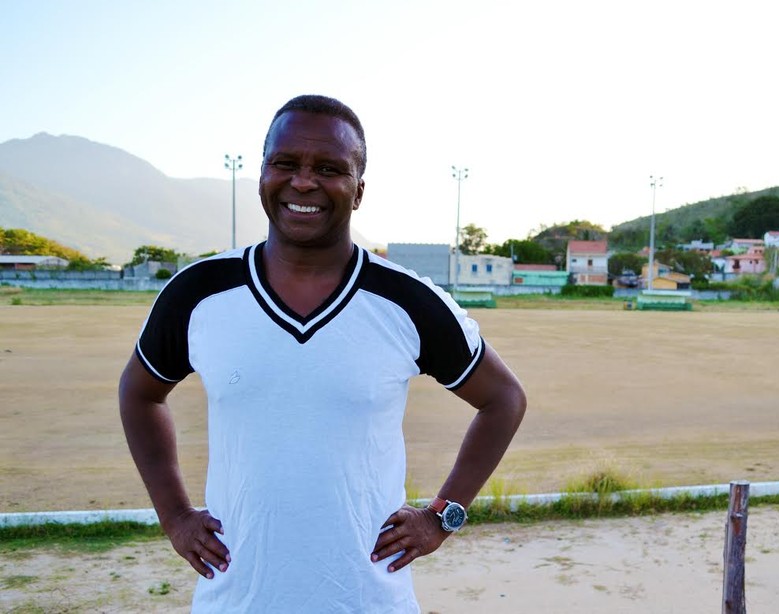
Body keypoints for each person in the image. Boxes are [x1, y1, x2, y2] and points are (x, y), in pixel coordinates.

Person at [119, 94, 527, 612]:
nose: (304, 182)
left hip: (368, 598)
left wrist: (441, 516)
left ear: (358, 191)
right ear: (263, 173)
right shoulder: (199, 292)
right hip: (236, 598)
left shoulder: (406, 300)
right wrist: (174, 516)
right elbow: (139, 393)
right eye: (285, 163)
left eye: (329, 168)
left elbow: (504, 399)